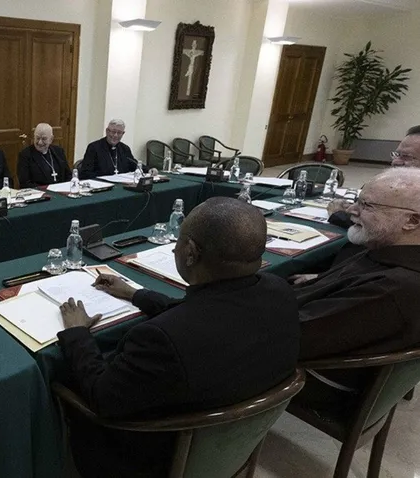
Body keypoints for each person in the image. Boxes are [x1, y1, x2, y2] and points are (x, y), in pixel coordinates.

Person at [56, 197, 299, 477]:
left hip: (157, 459)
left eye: (179, 241)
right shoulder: (279, 290)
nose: (174, 248)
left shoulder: (160, 339)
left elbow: (101, 397)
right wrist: (135, 294)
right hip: (233, 443)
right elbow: (205, 312)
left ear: (191, 252)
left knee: (61, 377)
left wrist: (76, 333)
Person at [292, 168, 420, 408]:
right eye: (357, 201)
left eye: (367, 205)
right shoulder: (386, 249)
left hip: (318, 379)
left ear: (412, 221)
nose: (351, 210)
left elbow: (291, 339)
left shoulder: (393, 288)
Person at [328, 126, 420, 228]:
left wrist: (337, 215)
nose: (396, 162)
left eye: (406, 157)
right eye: (397, 154)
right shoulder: (387, 183)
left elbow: (381, 229)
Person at [17, 123, 72, 188]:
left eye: (44, 139)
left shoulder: (59, 151)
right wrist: (47, 189)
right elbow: (24, 183)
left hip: (61, 190)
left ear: (51, 139)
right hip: (39, 192)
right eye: (37, 138)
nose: (40, 142)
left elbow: (68, 175)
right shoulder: (25, 155)